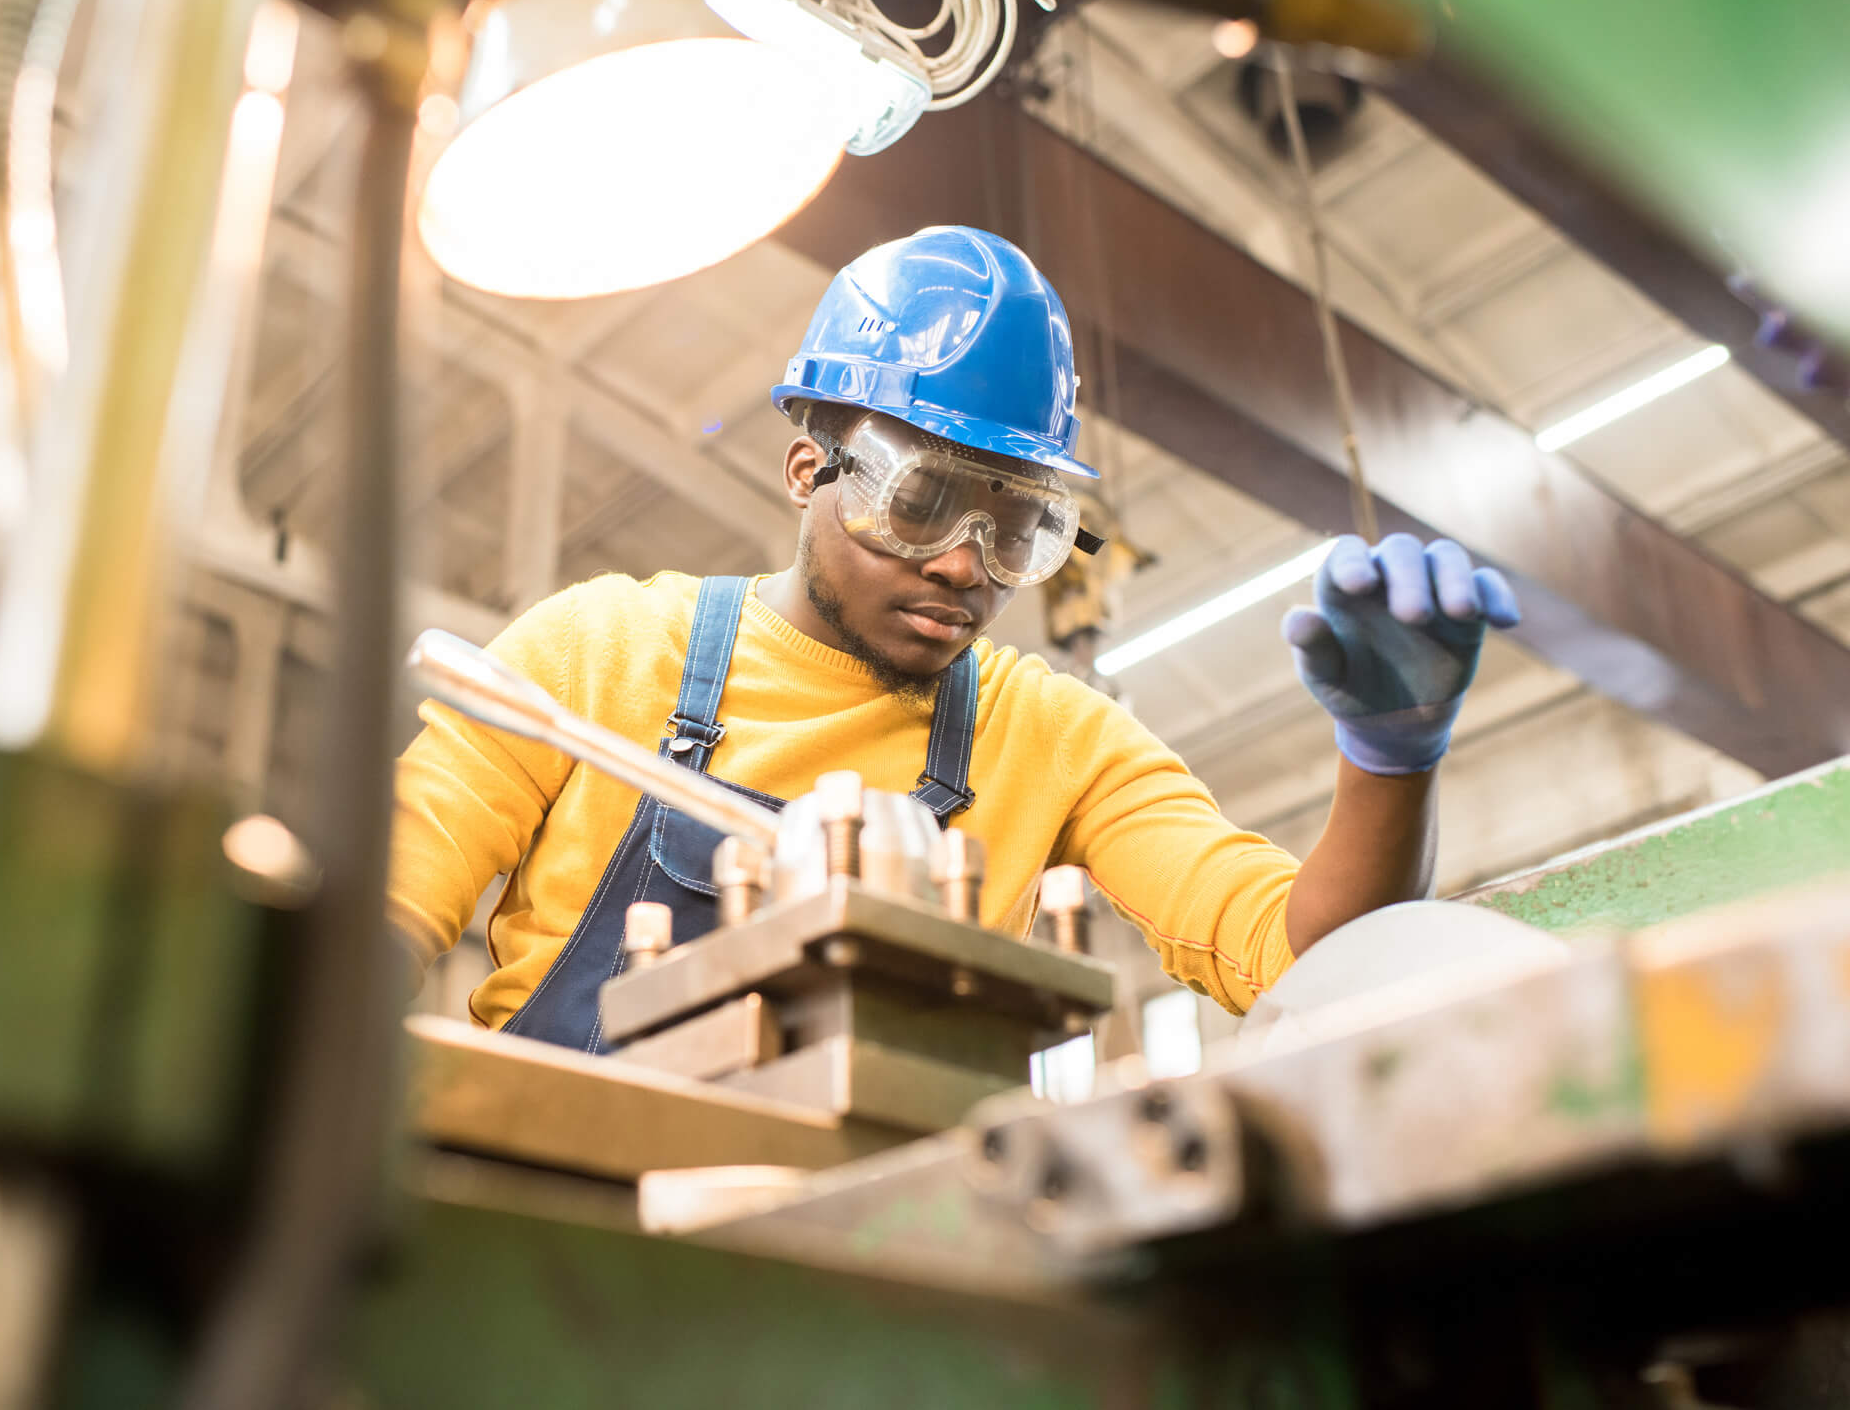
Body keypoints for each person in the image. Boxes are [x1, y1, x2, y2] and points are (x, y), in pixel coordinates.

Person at [388, 226, 1519, 1051]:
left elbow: (1300, 958)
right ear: (806, 469)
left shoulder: (1054, 737)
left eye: (1018, 528)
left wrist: (1387, 766)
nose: (964, 566)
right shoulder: (592, 654)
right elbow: (379, 918)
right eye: (920, 501)